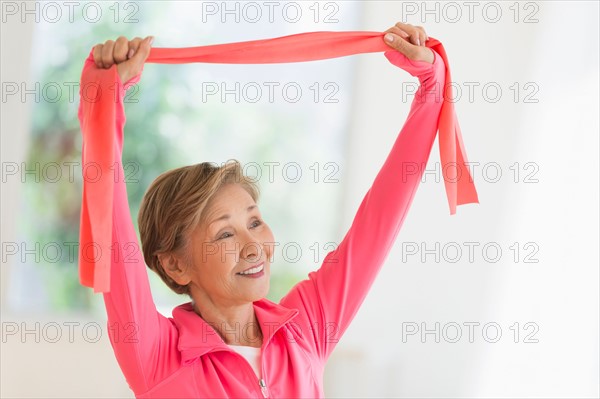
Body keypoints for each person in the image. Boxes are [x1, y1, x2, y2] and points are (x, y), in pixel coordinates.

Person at [85, 22, 443, 398]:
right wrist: (103, 100)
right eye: (225, 233)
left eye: (254, 221)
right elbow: (112, 232)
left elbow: (378, 223)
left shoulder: (303, 329)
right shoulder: (158, 356)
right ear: (175, 264)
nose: (253, 245)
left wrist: (431, 89)